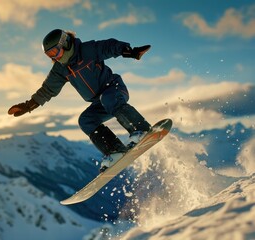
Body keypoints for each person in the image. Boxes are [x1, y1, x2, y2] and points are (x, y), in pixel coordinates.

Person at [8, 29, 151, 173]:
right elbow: (47, 90)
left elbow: (109, 46)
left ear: (65, 43)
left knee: (108, 99)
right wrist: (28, 106)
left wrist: (129, 51)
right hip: (99, 102)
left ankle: (140, 129)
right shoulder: (60, 69)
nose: (55, 57)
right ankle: (115, 151)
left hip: (114, 89)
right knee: (85, 120)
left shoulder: (87, 50)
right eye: (49, 55)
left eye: (55, 52)